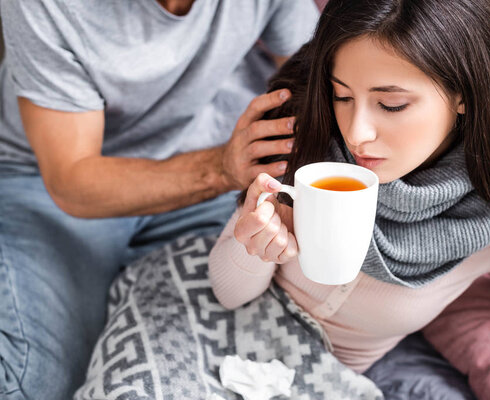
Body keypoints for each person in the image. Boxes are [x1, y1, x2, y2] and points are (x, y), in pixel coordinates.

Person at [207, 0, 490, 399]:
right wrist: (251, 245)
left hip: (329, 383)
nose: (357, 134)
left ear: (463, 94)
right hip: (224, 331)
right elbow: (227, 294)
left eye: (391, 104)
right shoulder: (303, 138)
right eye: (342, 96)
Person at [0, 0, 318, 398]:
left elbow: (329, 75)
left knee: (254, 353)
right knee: (36, 380)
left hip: (209, 167)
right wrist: (220, 168)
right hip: (48, 187)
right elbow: (71, 179)